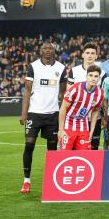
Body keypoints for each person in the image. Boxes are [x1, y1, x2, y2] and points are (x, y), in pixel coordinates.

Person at [19, 42, 67, 194]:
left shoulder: (61, 68)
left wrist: (63, 115)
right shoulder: (33, 66)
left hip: (53, 115)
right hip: (35, 113)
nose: (47, 51)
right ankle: (26, 180)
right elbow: (27, 91)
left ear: (54, 51)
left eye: (50, 49)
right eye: (45, 49)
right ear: (40, 52)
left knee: (52, 149)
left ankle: (52, 180)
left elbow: (64, 94)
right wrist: (24, 113)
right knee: (29, 146)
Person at [58, 65, 104, 150]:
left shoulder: (100, 93)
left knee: (85, 156)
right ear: (86, 76)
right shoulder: (75, 89)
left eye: (96, 76)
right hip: (68, 124)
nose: (93, 78)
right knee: (64, 156)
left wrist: (91, 132)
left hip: (83, 125)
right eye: (90, 75)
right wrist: (61, 130)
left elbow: (95, 111)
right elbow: (63, 108)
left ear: (99, 78)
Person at [68, 42, 103, 150]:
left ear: (96, 56)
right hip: (75, 119)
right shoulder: (74, 71)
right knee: (74, 148)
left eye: (93, 53)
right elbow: (68, 93)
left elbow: (102, 96)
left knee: (93, 147)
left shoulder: (102, 73)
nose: (90, 55)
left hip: (94, 117)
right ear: (83, 55)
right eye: (87, 53)